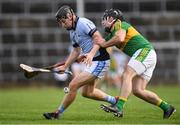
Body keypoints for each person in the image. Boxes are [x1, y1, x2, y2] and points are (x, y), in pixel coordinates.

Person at [43, 5, 119, 120]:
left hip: (100, 60)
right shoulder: (72, 32)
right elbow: (76, 50)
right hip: (92, 62)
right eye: (61, 23)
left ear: (70, 16)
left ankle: (58, 113)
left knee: (73, 85)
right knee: (87, 93)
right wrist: (66, 66)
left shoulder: (83, 23)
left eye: (64, 22)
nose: (63, 25)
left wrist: (91, 54)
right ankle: (115, 101)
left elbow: (98, 39)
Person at [98, 9, 176, 119]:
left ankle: (119, 107)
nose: (103, 22)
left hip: (145, 51)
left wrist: (104, 44)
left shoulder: (120, 24)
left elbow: (119, 39)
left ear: (112, 19)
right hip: (148, 54)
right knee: (138, 90)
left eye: (105, 18)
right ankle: (167, 107)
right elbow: (103, 45)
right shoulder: (112, 35)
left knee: (127, 74)